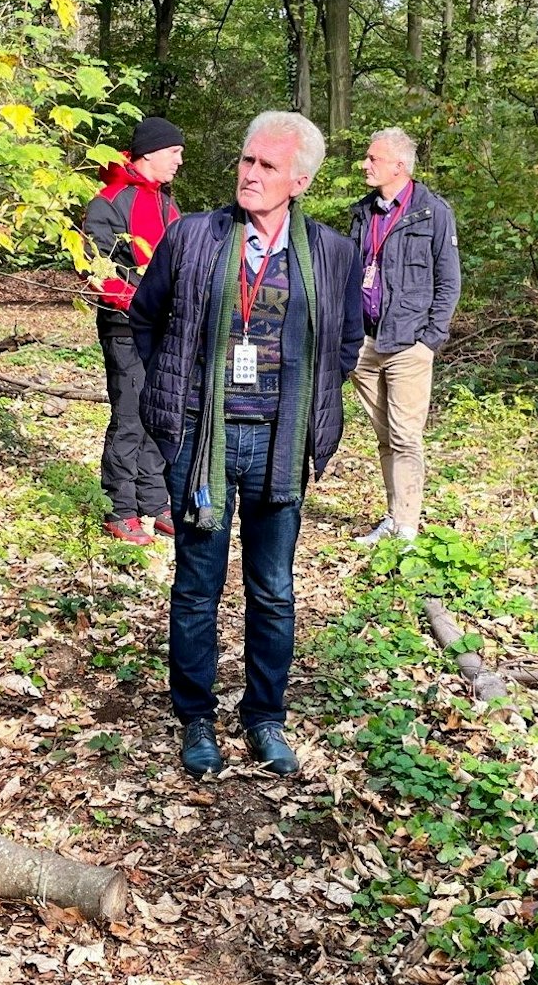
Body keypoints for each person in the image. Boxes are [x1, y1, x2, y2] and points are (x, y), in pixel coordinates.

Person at [129, 111, 364, 778]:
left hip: (280, 444)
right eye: (246, 159)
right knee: (198, 586)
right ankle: (196, 715)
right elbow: (147, 319)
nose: (250, 173)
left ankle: (264, 715)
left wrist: (307, 398)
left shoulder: (332, 254)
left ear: (301, 179)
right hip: (205, 442)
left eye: (266, 165)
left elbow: (344, 344)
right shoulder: (193, 237)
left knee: (274, 590)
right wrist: (176, 396)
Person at [347, 126, 461, 546]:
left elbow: (449, 281)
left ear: (399, 166)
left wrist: (430, 338)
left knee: (405, 435)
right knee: (384, 435)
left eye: (372, 158)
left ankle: (407, 526)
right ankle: (393, 517)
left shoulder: (432, 212)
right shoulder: (362, 212)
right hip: (365, 341)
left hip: (409, 341)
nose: (364, 163)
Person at [83, 116, 184, 545]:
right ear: (150, 153)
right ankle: (119, 508)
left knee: (158, 416)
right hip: (125, 326)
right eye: (174, 152)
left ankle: (155, 502)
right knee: (129, 416)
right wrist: (136, 304)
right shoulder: (109, 200)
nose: (180, 161)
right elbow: (97, 267)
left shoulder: (167, 204)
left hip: (166, 329)